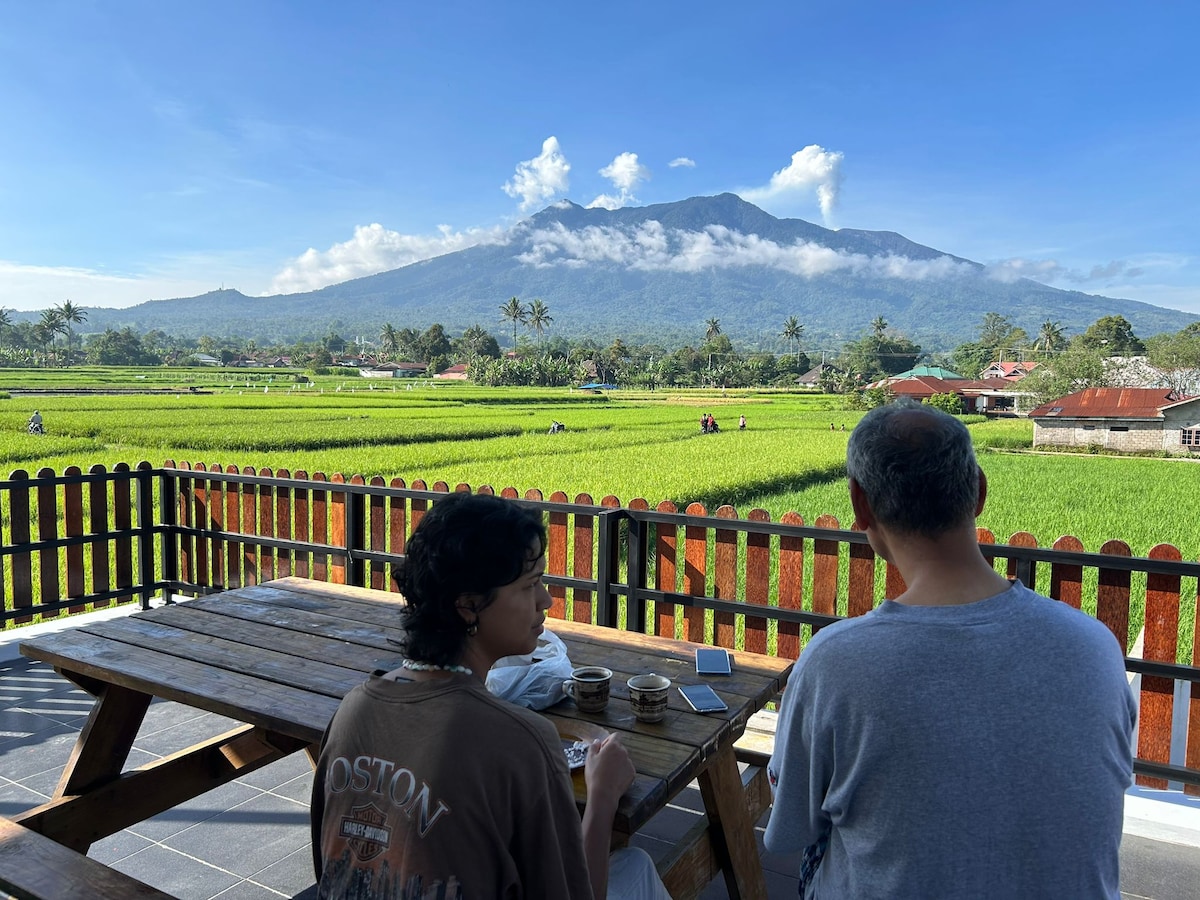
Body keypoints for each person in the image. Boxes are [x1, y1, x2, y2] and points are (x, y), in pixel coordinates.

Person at [765, 399, 1135, 899]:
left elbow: (791, 829)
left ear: (860, 505)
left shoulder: (835, 662)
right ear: (978, 490)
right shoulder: (1093, 646)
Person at [311, 492, 669, 900]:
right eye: (529, 585)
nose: (545, 600)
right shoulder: (521, 740)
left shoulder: (353, 710)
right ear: (468, 607)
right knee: (636, 866)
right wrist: (603, 796)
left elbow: (331, 870)